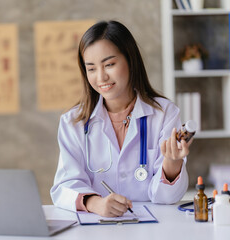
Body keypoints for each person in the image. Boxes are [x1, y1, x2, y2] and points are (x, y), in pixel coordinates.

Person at [50, 20, 192, 218]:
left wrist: (172, 162)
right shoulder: (73, 122)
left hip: (152, 227)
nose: (101, 77)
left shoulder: (164, 113)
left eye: (109, 64)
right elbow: (64, 187)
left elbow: (166, 198)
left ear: (130, 60)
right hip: (95, 227)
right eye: (91, 69)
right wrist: (95, 203)